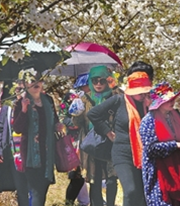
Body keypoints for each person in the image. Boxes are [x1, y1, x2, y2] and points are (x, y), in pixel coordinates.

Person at [88, 70, 153, 206]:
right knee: (130, 191)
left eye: (145, 91)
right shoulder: (119, 100)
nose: (142, 95)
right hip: (122, 152)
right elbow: (93, 114)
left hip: (145, 154)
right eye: (140, 92)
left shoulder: (150, 104)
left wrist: (151, 107)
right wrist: (108, 132)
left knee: (142, 194)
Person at [12, 69, 63, 206]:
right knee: (36, 191)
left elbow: (54, 121)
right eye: (32, 80)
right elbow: (17, 128)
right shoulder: (20, 102)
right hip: (30, 155)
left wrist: (58, 126)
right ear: (25, 84)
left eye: (39, 80)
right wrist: (23, 109)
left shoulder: (48, 100)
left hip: (48, 152)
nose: (36, 83)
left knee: (43, 188)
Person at [140, 82, 180, 206]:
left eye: (172, 99)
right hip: (158, 170)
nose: (171, 102)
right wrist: (174, 145)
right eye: (167, 100)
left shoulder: (176, 115)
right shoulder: (149, 121)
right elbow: (150, 148)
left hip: (177, 167)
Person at [80, 65, 118, 206]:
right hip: (92, 143)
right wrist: (75, 114)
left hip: (110, 141)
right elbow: (78, 123)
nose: (98, 84)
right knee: (94, 178)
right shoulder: (85, 99)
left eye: (102, 81)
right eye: (95, 80)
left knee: (111, 177)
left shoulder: (115, 96)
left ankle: (110, 204)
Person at [0, 80, 29, 205]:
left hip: (30, 153)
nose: (20, 92)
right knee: (21, 188)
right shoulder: (7, 107)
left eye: (22, 89)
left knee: (33, 188)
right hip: (13, 154)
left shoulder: (32, 105)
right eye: (17, 89)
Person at [61, 74, 90, 206]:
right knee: (76, 173)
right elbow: (62, 115)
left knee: (86, 173)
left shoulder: (92, 97)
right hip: (74, 139)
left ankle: (85, 200)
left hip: (88, 137)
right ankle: (69, 202)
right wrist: (73, 124)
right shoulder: (70, 96)